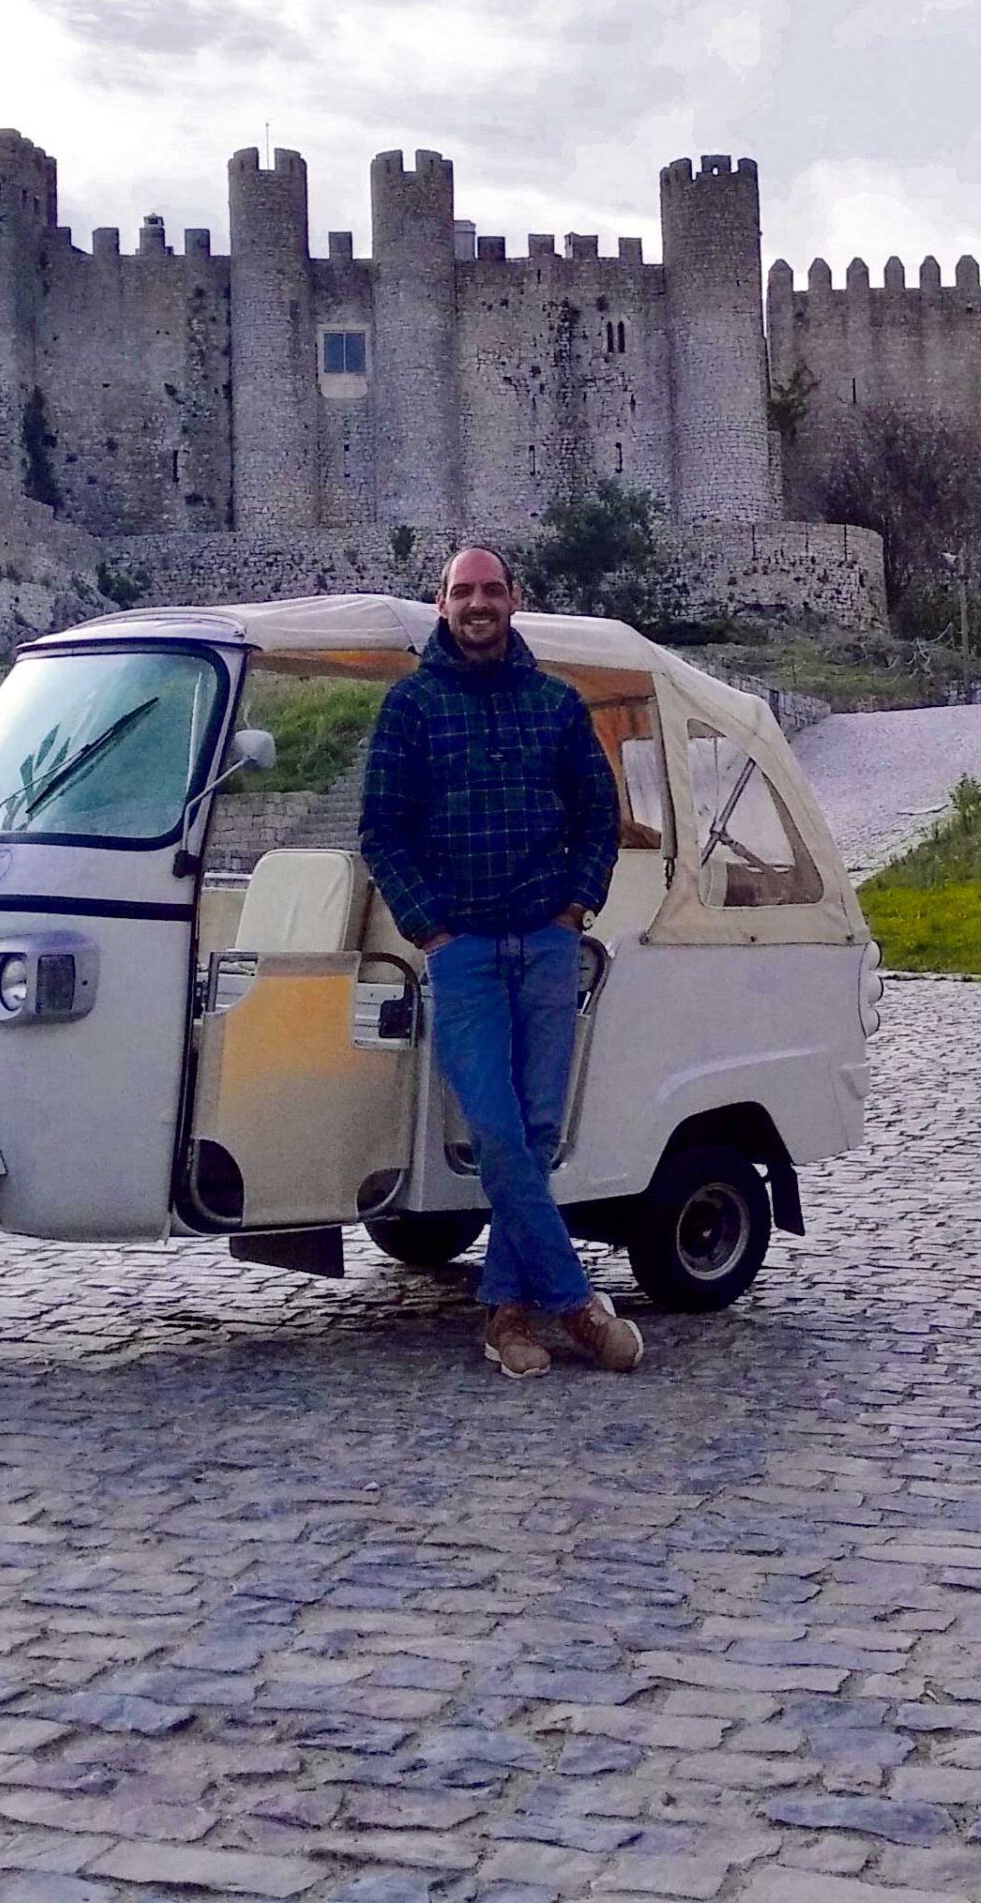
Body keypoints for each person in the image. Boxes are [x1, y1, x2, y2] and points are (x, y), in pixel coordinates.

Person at [360, 545, 644, 1380]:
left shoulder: (555, 707)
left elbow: (600, 818)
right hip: (466, 953)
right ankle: (577, 1305)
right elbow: (382, 830)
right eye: (461, 592)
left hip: (547, 943)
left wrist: (574, 908)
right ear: (440, 603)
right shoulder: (412, 708)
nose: (477, 604)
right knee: (494, 1129)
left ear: (514, 599)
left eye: (490, 590)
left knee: (539, 1131)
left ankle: (507, 1312)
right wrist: (431, 930)